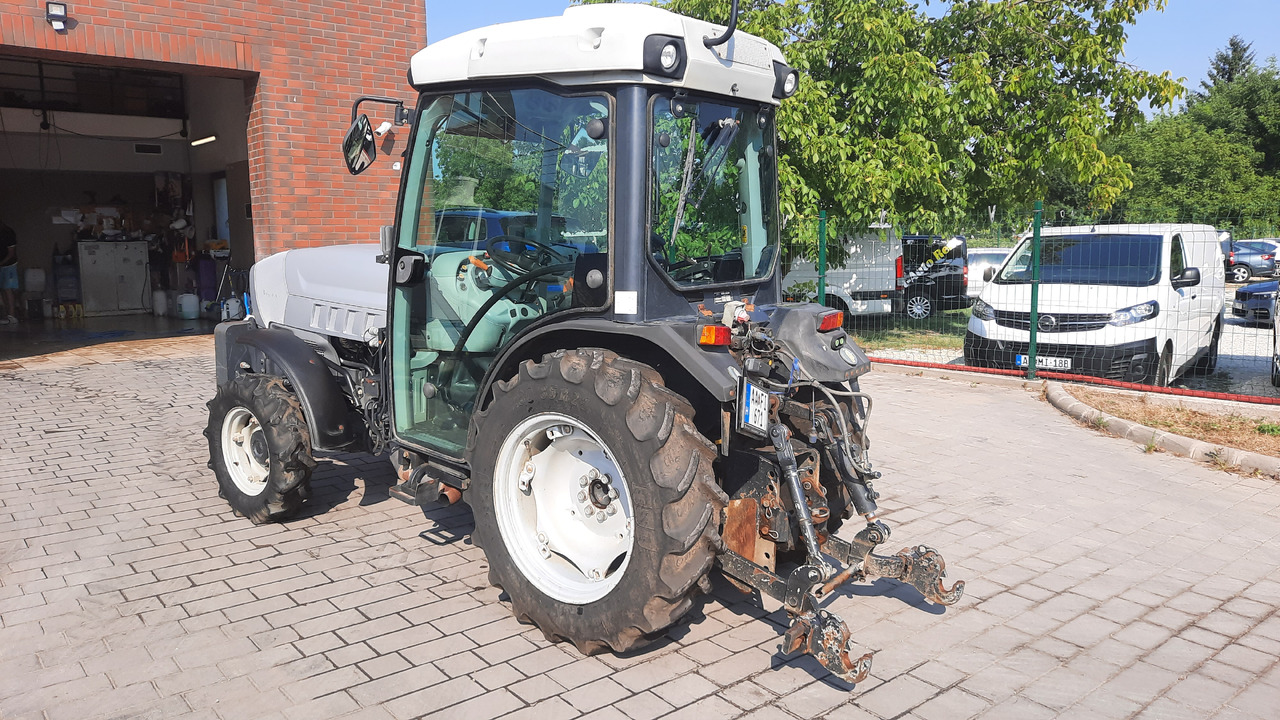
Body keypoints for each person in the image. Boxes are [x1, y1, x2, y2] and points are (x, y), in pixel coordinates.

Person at [0, 218, 17, 325]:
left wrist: (1, 263)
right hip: (2, 263)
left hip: (8, 264)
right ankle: (4, 314)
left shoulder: (8, 233)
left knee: (7, 289)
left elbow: (11, 253)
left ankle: (12, 315)